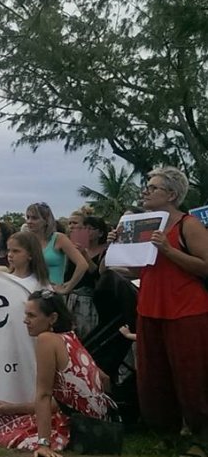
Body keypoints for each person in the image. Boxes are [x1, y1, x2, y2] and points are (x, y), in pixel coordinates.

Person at [107, 167, 208, 456]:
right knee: (154, 378)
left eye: (153, 188)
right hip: (151, 308)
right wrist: (116, 249)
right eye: (147, 186)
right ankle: (167, 432)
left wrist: (169, 249)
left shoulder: (188, 225)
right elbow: (137, 270)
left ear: (172, 195)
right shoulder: (141, 225)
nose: (146, 191)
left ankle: (200, 437)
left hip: (187, 310)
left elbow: (205, 265)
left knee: (192, 377)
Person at [0, 291, 112, 456]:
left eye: (31, 316)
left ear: (52, 318)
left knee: (7, 432)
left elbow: (44, 395)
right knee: (14, 416)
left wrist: (43, 444)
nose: (25, 321)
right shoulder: (70, 337)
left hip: (78, 430)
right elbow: (104, 379)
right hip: (99, 426)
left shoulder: (46, 339)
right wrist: (12, 408)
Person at [25, 202, 88, 295]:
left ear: (46, 220)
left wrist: (67, 287)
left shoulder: (59, 238)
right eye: (28, 217)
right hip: (30, 293)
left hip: (52, 295)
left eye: (35, 218)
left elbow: (82, 264)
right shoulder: (27, 240)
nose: (29, 221)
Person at [63, 215, 109, 338]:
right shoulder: (77, 248)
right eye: (84, 228)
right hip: (74, 297)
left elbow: (98, 274)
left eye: (90, 228)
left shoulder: (106, 251)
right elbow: (69, 274)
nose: (86, 232)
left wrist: (84, 255)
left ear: (100, 233)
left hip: (94, 299)